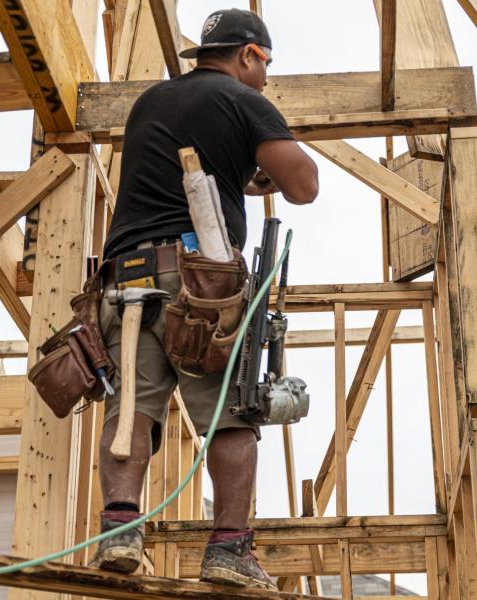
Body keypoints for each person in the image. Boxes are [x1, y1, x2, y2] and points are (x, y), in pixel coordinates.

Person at [90, 8, 319, 591]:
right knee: (231, 415)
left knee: (130, 411)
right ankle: (229, 550)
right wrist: (268, 149)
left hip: (128, 277)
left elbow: (189, 171)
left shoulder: (151, 103)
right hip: (199, 283)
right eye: (264, 65)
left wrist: (241, 171)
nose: (264, 77)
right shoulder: (244, 101)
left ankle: (119, 531)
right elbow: (303, 186)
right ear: (248, 54)